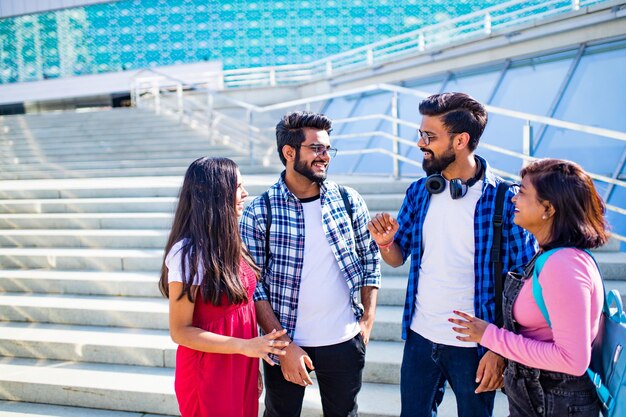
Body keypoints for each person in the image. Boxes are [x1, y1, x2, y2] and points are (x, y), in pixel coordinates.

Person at [367, 92, 537, 417]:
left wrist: (498, 348)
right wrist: (386, 243)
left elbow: (523, 285)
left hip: (474, 348)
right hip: (420, 337)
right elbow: (397, 258)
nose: (420, 143)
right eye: (421, 134)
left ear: (461, 140)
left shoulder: (505, 199)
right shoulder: (419, 191)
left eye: (429, 136)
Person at [240, 111, 381, 417]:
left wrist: (366, 323)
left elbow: (370, 259)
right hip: (285, 343)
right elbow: (254, 287)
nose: (325, 156)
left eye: (328, 149)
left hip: (344, 341)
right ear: (288, 152)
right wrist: (285, 346)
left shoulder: (348, 199)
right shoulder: (260, 211)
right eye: (316, 148)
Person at [450, 158, 608, 417]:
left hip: (555, 404)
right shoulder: (550, 256)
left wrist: (490, 336)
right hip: (541, 398)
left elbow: (573, 360)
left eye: (522, 192)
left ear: (548, 208)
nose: (514, 199)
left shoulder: (563, 265)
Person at [158, 156, 289, 417]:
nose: (245, 193)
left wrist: (249, 363)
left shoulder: (230, 243)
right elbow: (180, 332)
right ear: (216, 193)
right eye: (237, 186)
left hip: (240, 365)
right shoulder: (187, 253)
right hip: (207, 372)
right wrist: (245, 347)